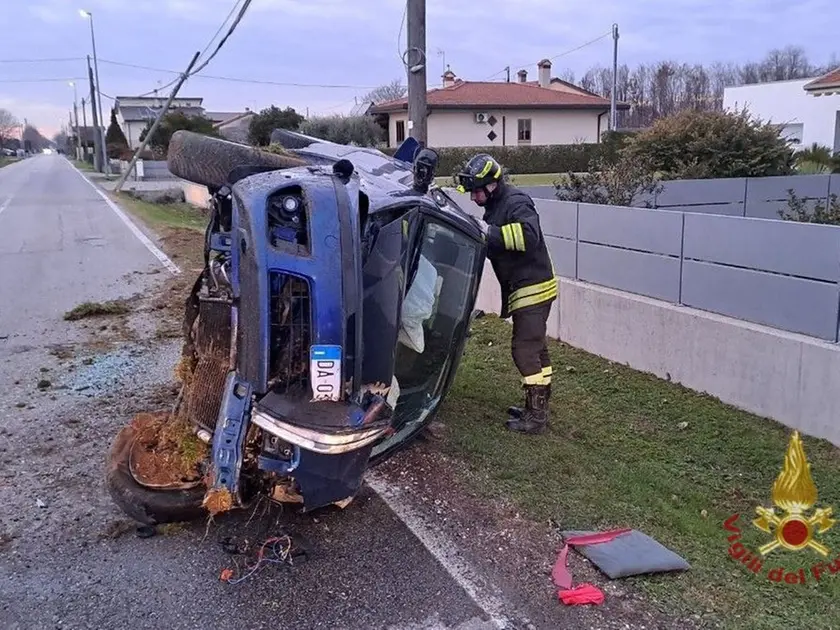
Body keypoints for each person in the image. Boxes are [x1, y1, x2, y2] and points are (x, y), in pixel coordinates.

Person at [456, 154, 556, 435]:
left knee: (524, 350)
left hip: (532, 289)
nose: (474, 198)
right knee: (537, 349)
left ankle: (536, 418)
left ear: (493, 185)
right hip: (527, 288)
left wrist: (488, 232)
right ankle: (536, 406)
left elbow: (529, 236)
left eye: (477, 191)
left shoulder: (516, 202)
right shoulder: (496, 205)